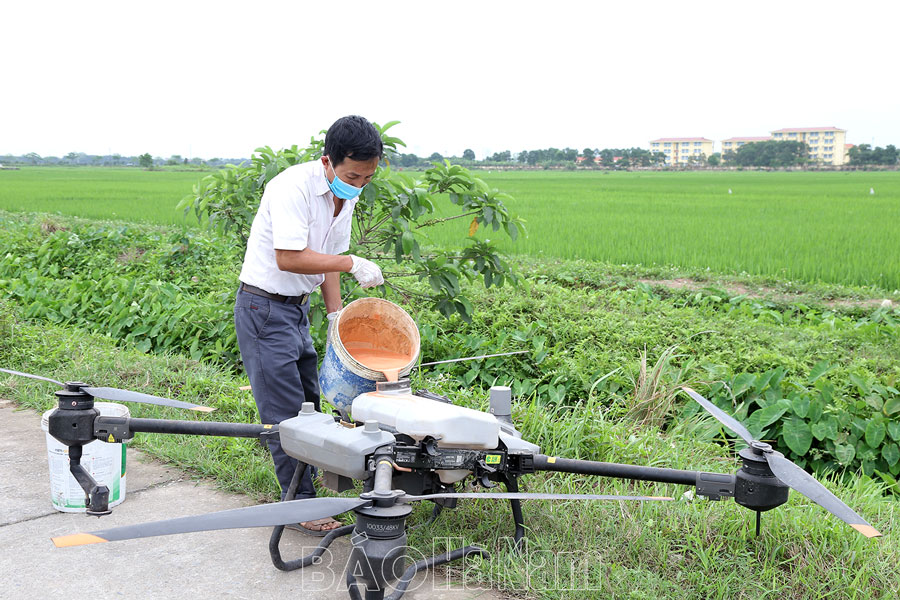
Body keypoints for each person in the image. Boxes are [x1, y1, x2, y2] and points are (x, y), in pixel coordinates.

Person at [234, 115, 385, 535]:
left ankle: (313, 487)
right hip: (263, 308)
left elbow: (328, 260)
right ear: (328, 161)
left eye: (368, 178)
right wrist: (353, 262)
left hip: (295, 309)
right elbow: (292, 257)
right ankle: (299, 505)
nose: (359, 184)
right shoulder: (291, 188)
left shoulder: (347, 194)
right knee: (284, 413)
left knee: (309, 403)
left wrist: (336, 318)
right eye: (353, 175)